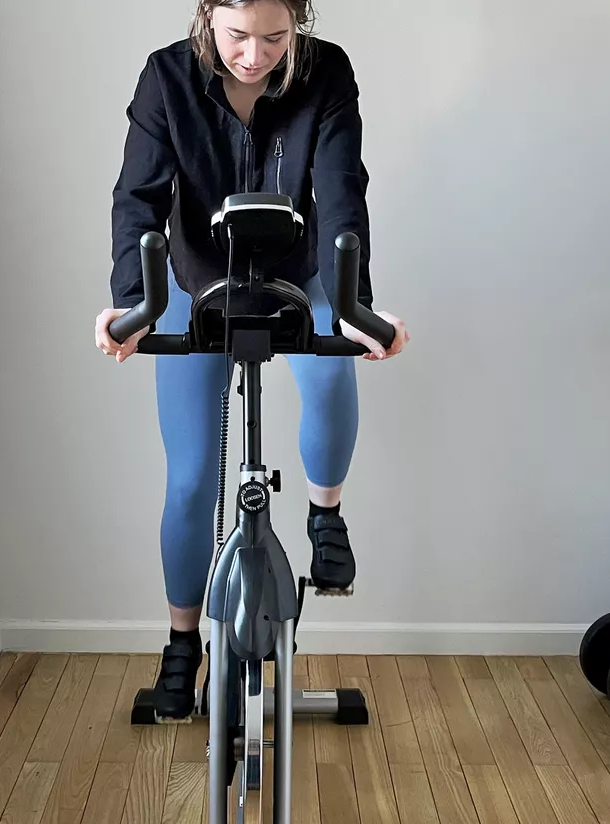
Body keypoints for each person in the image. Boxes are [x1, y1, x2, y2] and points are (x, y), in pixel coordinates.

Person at [95, 0, 408, 718]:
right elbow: (137, 198)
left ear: (299, 23)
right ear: (207, 15)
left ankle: (325, 517)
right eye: (237, 35)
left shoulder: (326, 73)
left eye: (275, 37)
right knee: (189, 481)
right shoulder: (166, 78)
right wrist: (129, 304)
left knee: (330, 373)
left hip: (300, 271)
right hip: (195, 279)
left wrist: (358, 305)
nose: (254, 55)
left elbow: (341, 191)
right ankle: (182, 643)